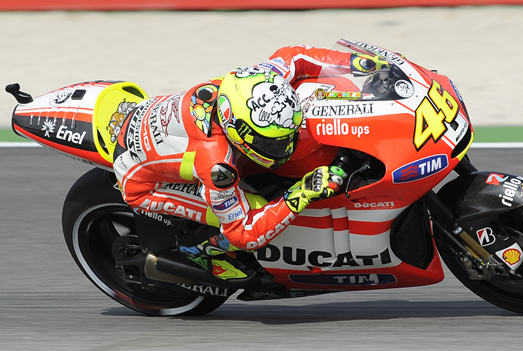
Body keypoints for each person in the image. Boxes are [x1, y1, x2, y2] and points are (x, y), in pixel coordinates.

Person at [112, 45, 390, 280]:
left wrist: (355, 63)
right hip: (143, 182)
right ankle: (194, 251)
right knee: (256, 208)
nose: (287, 147)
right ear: (237, 130)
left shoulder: (255, 81)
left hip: (160, 129)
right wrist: (301, 193)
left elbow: (296, 57)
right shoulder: (217, 166)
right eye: (273, 143)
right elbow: (243, 233)